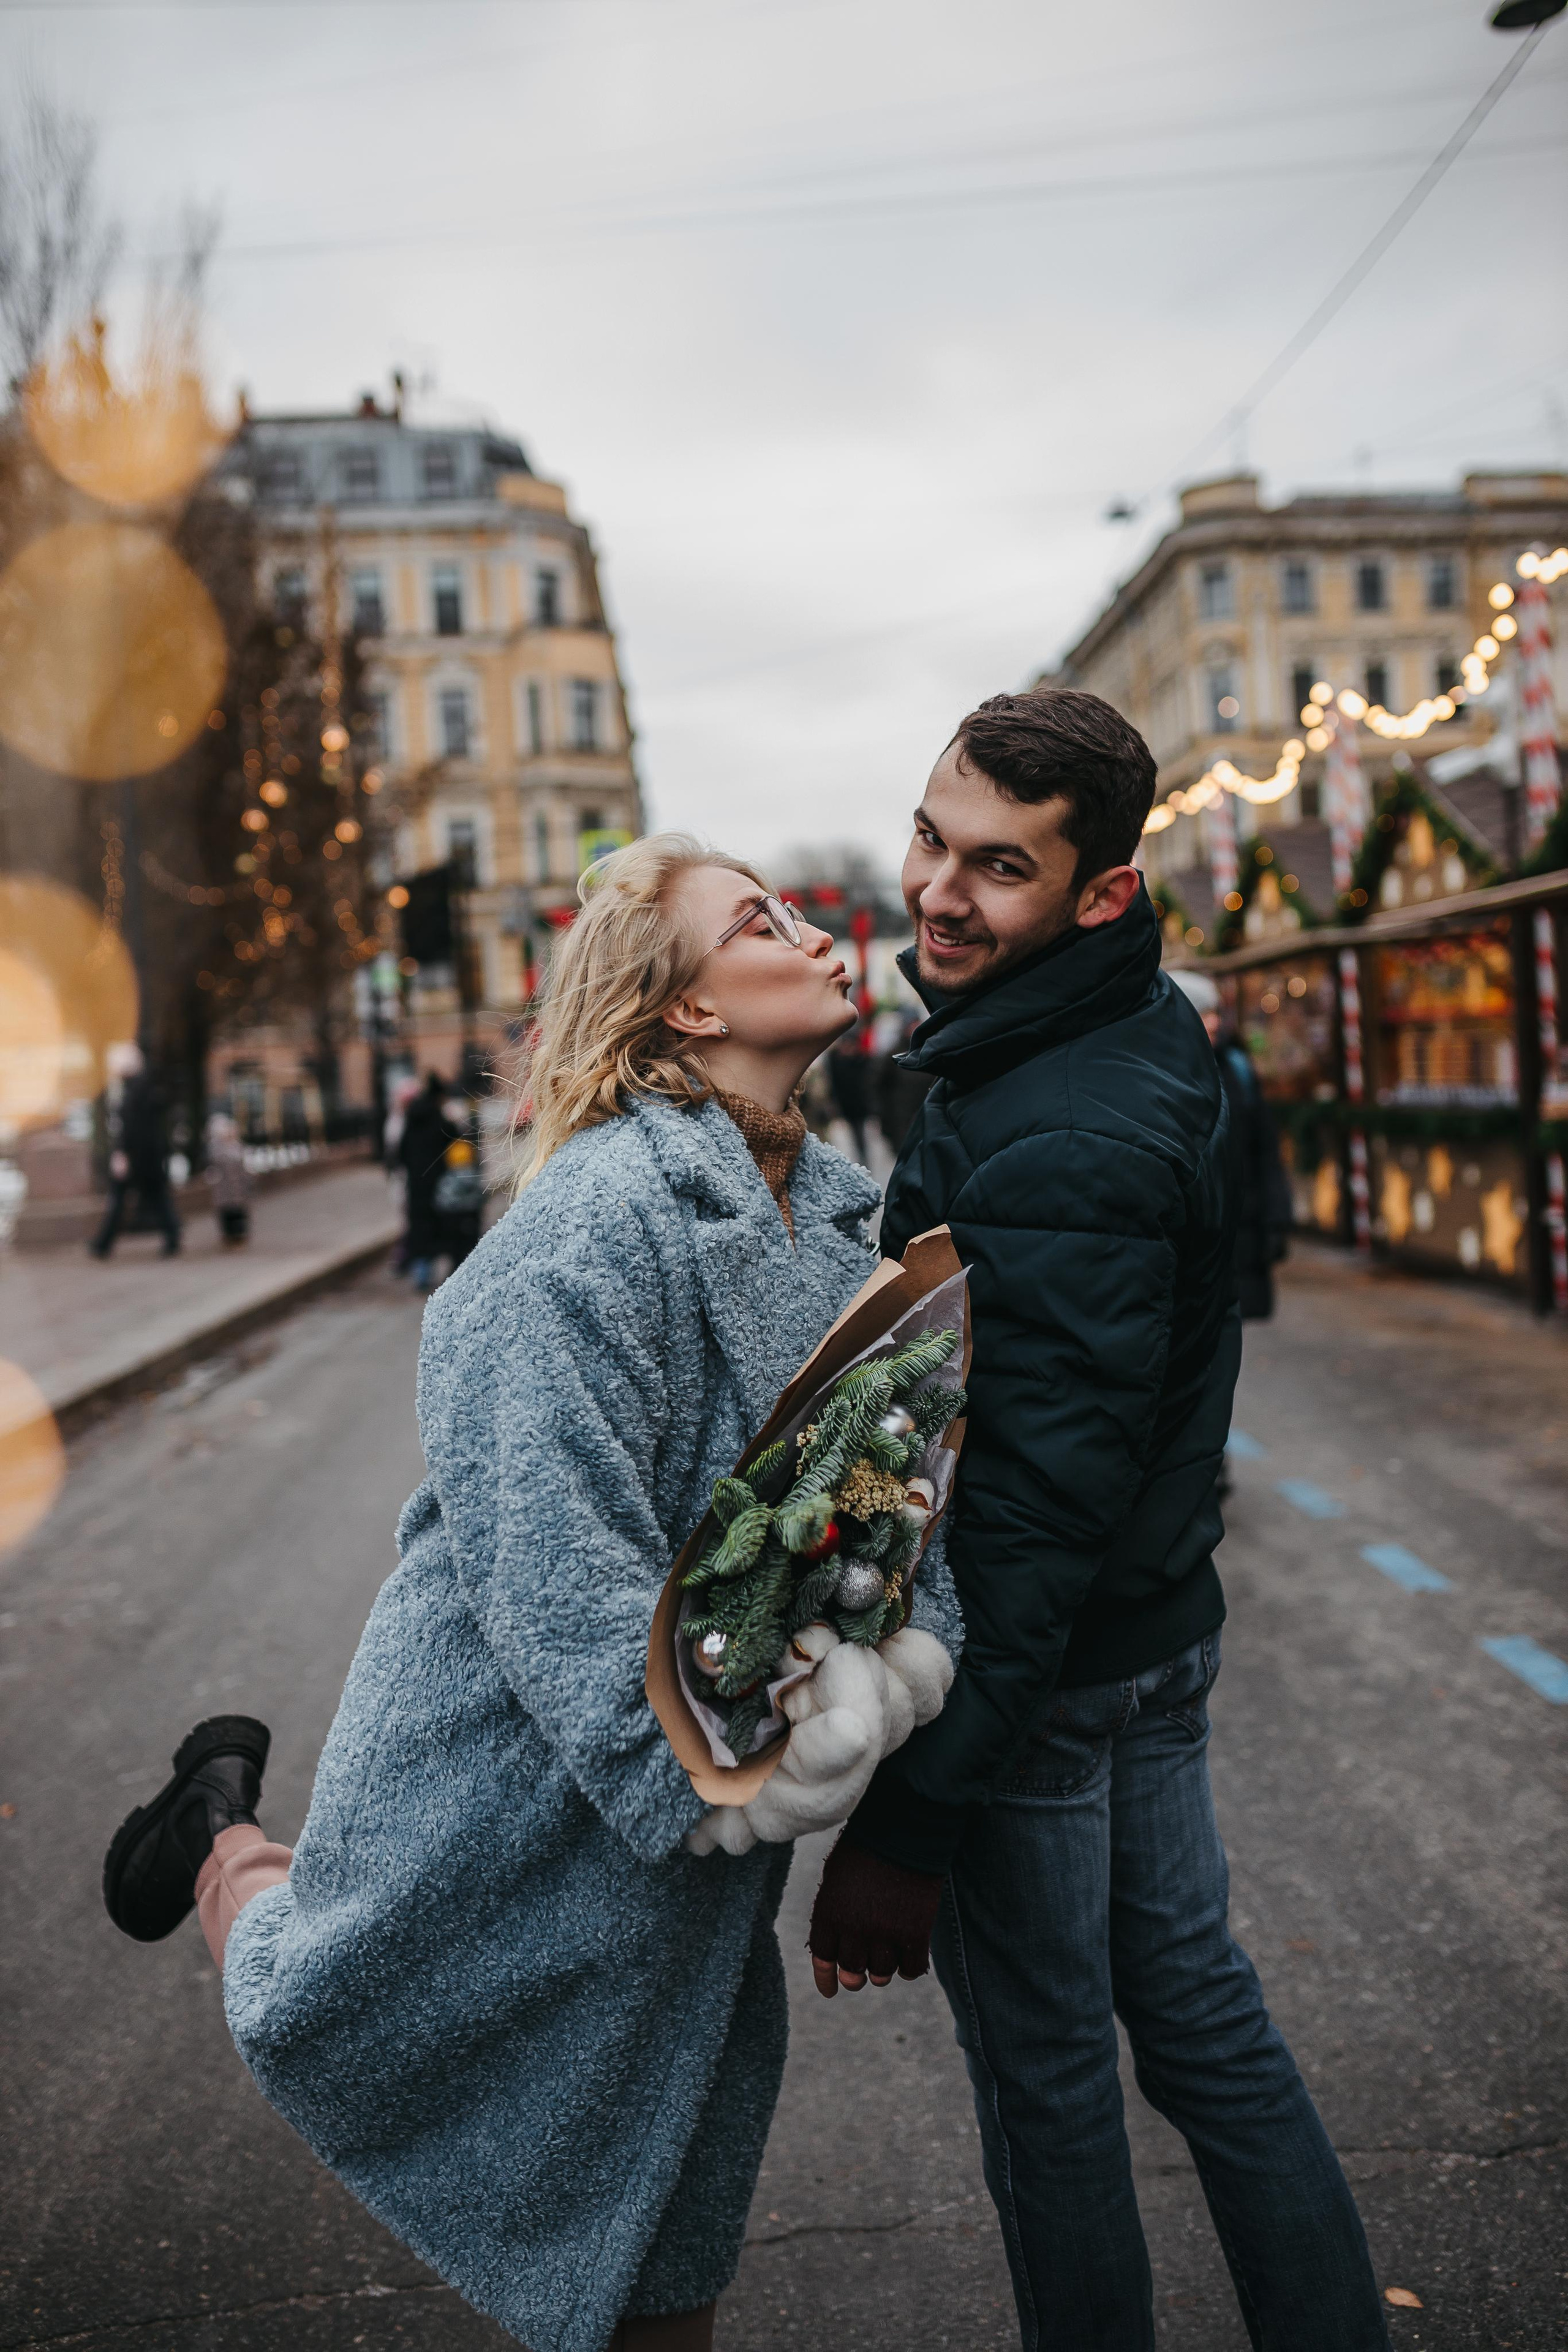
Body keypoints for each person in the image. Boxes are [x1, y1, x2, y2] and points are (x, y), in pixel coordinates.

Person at [101, 834, 962, 2352]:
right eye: (757, 921)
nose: (814, 931)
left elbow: (888, 1490)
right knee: (320, 1998)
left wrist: (894, 1673)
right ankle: (219, 1840)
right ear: (685, 1011)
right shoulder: (584, 1225)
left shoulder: (838, 1220)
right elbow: (555, 1562)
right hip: (514, 1782)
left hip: (693, 1810)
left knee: (666, 2214)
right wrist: (699, 1781)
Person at [807, 690, 1390, 2352]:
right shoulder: (1090, 1047)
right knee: (1203, 2025)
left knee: (1053, 2083)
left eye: (1000, 867)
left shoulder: (1060, 1123)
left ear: (1102, 896)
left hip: (1045, 1681)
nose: (938, 889)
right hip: (1151, 1643)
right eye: (933, 837)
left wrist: (914, 1829)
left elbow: (1033, 1519)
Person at [1172, 973, 1293, 1324]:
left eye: (1216, 1012)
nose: (1215, 1022)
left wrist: (1277, 1218)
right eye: (1204, 1012)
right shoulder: (1162, 1072)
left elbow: (1265, 1148)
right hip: (1192, 1242)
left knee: (1233, 1328)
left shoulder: (1237, 1067)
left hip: (1244, 1226)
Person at [89, 1045, 181, 1259]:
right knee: (158, 1198)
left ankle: (103, 1244)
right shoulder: (145, 1088)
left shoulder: (133, 1092)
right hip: (149, 1157)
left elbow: (130, 1128)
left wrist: (122, 1153)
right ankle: (171, 1236)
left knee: (121, 1200)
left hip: (137, 1158)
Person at [397, 1071, 461, 1287]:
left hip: (416, 1183)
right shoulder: (440, 1119)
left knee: (418, 1226)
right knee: (439, 1226)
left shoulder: (412, 1118)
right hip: (438, 1183)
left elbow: (401, 1151)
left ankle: (421, 1273)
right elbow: (457, 1140)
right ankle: (438, 1271)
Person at [433, 1133, 484, 1271]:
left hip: (452, 1218)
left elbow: (441, 1200)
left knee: (455, 1249)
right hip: (470, 1217)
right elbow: (480, 1198)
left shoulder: (447, 1179)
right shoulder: (474, 1178)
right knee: (469, 1247)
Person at [205, 1111, 251, 1246]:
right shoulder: (217, 1150)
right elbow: (213, 1170)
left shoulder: (237, 1147)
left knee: (239, 1214)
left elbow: (244, 1169)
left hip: (238, 1192)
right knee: (228, 1215)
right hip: (225, 1192)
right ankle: (229, 1235)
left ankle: (239, 1235)